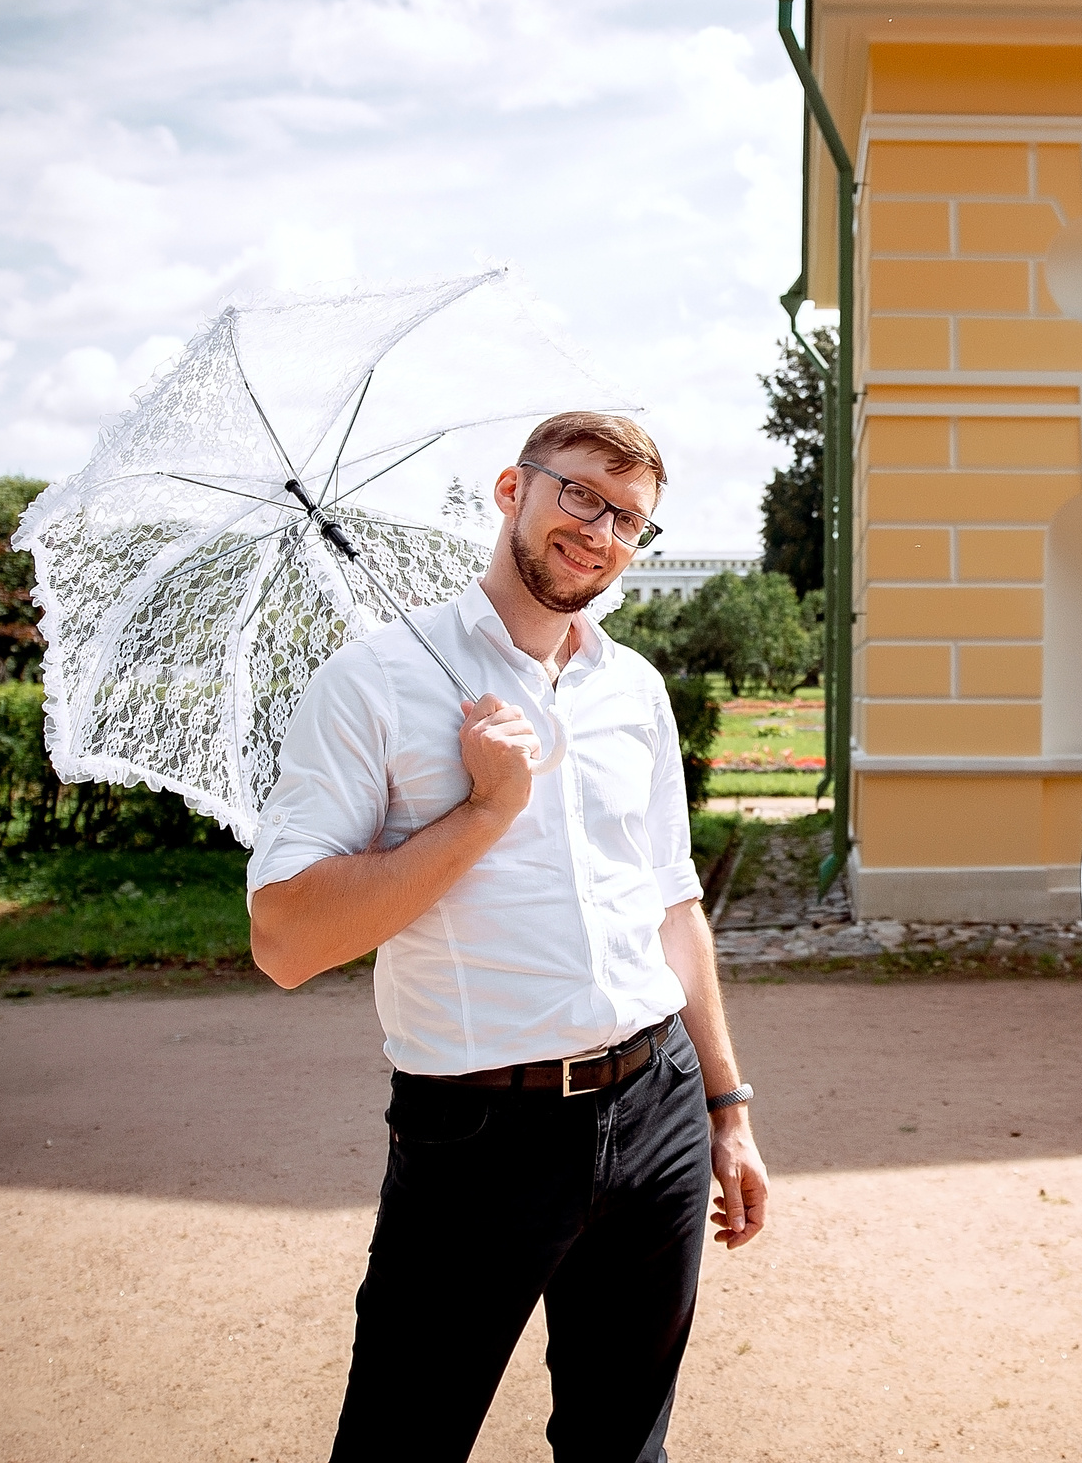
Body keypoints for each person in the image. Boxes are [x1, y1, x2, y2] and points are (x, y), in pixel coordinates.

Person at [247, 411, 768, 1463]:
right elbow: (285, 940)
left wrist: (724, 1106)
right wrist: (482, 812)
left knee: (624, 1446)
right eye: (579, 494)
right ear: (510, 490)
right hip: (480, 1137)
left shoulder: (634, 690)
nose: (601, 531)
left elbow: (673, 903)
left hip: (656, 1101)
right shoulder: (375, 681)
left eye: (630, 518)